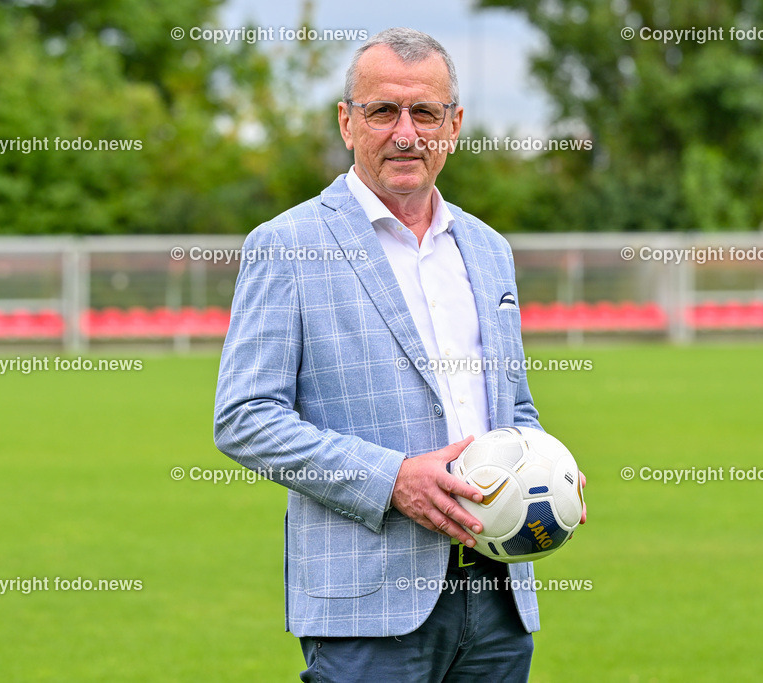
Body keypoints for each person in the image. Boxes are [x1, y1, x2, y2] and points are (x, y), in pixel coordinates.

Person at [214, 27, 585, 682]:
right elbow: (245, 417)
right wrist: (392, 478)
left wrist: (548, 464)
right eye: (384, 111)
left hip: (498, 600)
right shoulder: (287, 244)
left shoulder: (488, 247)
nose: (406, 133)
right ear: (347, 122)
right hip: (368, 609)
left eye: (425, 112)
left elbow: (512, 403)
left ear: (455, 124)